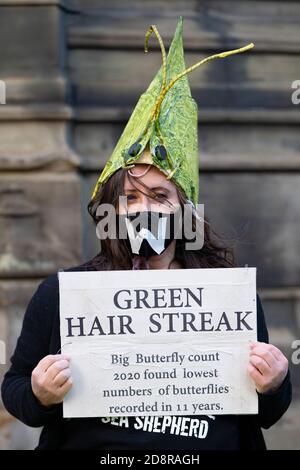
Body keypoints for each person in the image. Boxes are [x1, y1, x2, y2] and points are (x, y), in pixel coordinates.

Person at [1, 18, 291, 450]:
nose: (144, 209)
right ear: (112, 209)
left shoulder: (229, 295)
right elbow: (17, 390)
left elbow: (266, 413)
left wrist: (274, 383)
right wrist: (40, 395)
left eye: (159, 195)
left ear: (183, 210)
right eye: (131, 198)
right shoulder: (62, 294)